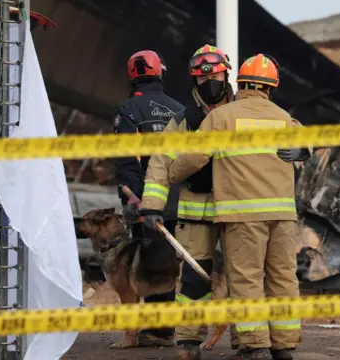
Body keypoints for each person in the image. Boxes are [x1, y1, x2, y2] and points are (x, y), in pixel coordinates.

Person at [167, 54, 310, 360]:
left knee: (247, 279)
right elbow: (305, 142)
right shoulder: (284, 117)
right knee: (283, 278)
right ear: (271, 87)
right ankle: (284, 346)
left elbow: (194, 157)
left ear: (239, 82)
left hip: (243, 215)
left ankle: (255, 345)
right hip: (283, 215)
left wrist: (173, 173)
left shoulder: (222, 117)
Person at [139, 44, 240, 360]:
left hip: (240, 211)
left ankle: (249, 342)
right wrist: (152, 205)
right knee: (194, 282)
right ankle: (187, 342)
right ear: (193, 81)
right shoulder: (185, 120)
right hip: (196, 212)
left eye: (216, 76)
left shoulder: (244, 115)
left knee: (243, 278)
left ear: (226, 75)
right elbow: (159, 162)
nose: (209, 83)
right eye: (201, 78)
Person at [113, 49, 184, 347]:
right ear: (161, 72)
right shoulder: (179, 110)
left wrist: (134, 198)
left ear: (133, 75)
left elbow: (128, 161)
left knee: (151, 263)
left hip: (146, 201)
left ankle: (159, 331)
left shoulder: (128, 111)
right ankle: (165, 327)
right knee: (171, 263)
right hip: (181, 200)